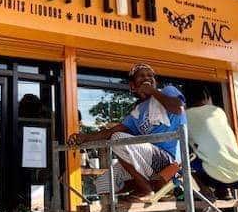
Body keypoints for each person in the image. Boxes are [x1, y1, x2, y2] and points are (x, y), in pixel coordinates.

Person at [69, 63, 186, 199]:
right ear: (132, 85)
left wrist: (153, 91)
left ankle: (146, 189)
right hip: (146, 163)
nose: (146, 78)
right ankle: (147, 188)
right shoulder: (136, 113)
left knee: (117, 138)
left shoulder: (167, 91)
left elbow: (178, 108)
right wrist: (83, 137)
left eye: (150, 76)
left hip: (167, 161)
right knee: (102, 183)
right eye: (141, 76)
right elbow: (109, 132)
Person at [185, 83, 238, 200]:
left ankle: (205, 191)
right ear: (208, 97)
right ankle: (224, 190)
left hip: (212, 176)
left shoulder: (186, 115)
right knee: (215, 151)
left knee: (182, 156)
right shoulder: (218, 111)